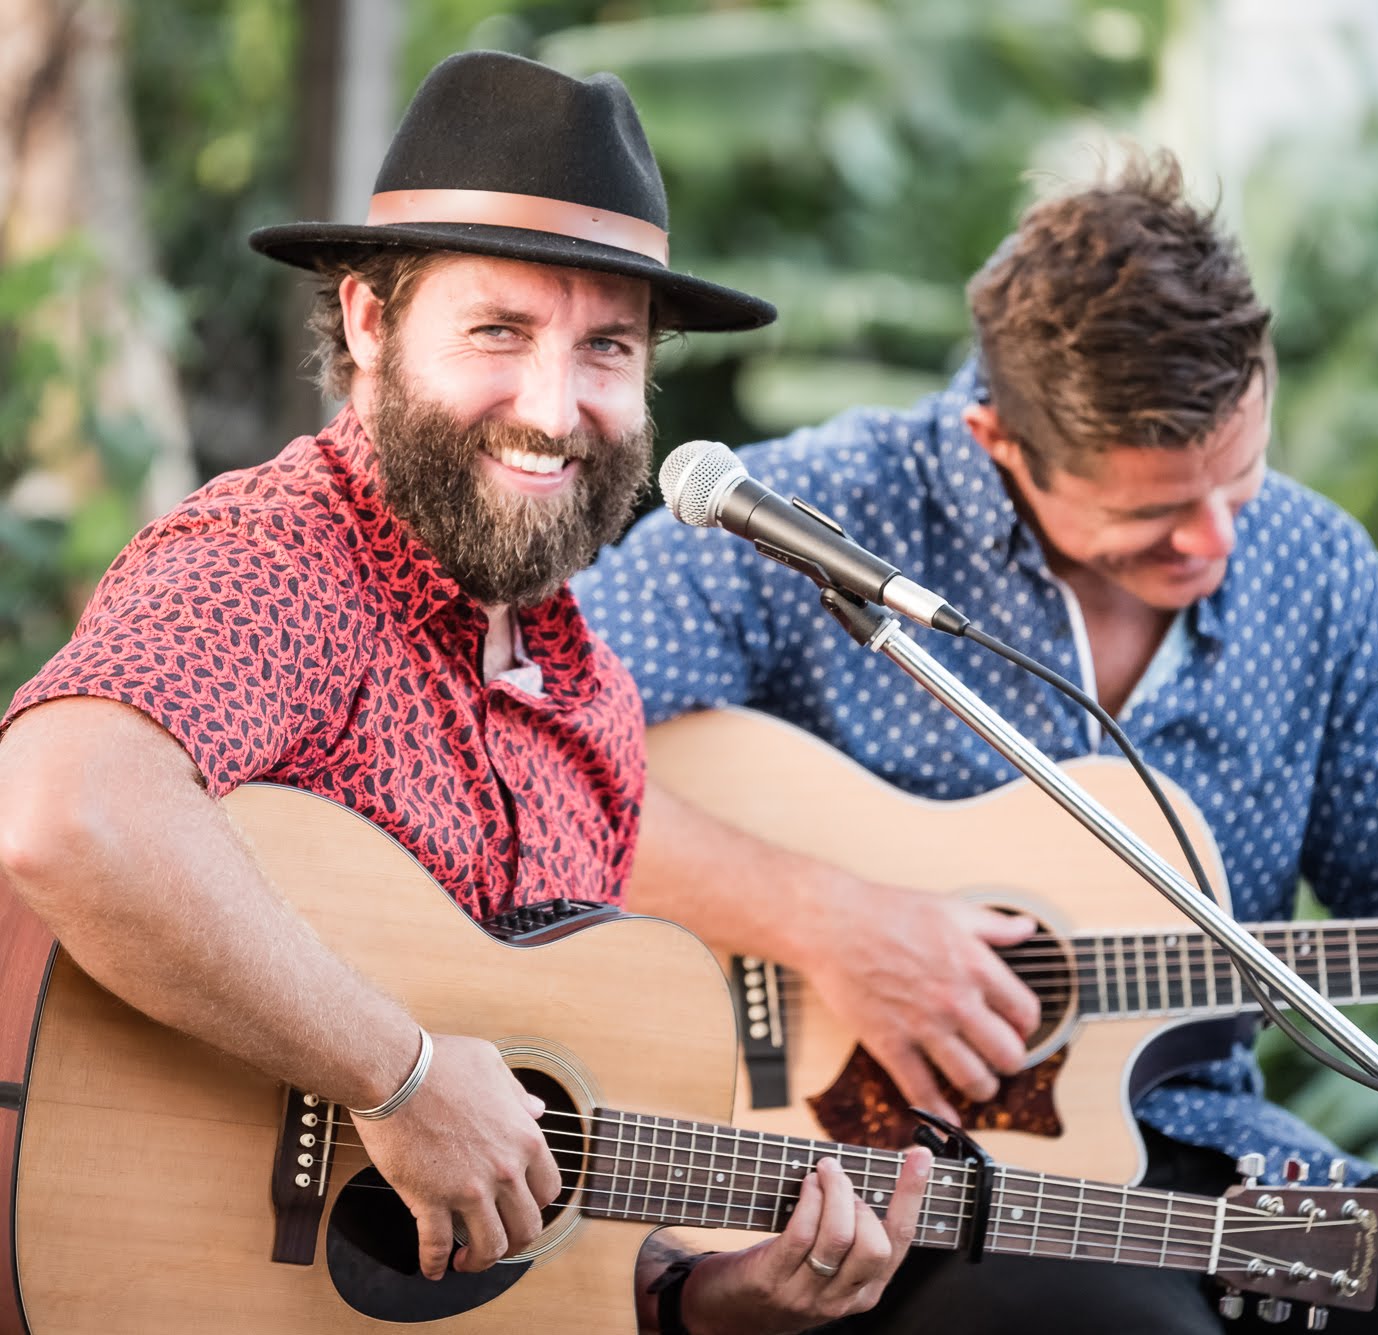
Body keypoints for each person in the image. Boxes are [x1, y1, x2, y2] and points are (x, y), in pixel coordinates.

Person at [575, 151, 1378, 1334]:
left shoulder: (1318, 567)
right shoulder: (803, 518)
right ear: (998, 439)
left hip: (1229, 1175)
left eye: (1237, 483)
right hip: (901, 1196)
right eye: (1150, 515)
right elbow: (539, 775)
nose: (1214, 542)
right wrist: (828, 922)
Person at [0, 50, 926, 1335]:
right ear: (372, 323)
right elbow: (64, 811)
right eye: (499, 331)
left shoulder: (590, 702)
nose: (555, 407)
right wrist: (399, 1078)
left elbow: (530, 1240)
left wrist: (709, 1300)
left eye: (605, 347)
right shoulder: (278, 563)